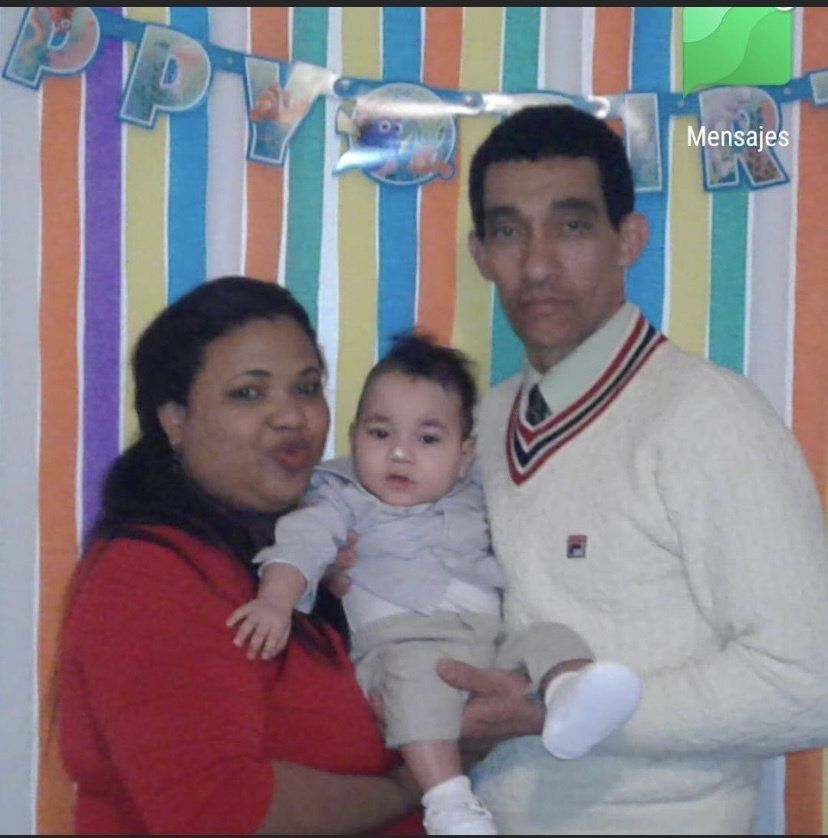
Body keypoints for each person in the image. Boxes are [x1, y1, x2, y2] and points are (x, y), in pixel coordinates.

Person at [429, 103, 828, 834]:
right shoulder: (476, 425)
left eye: (572, 226)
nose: (538, 264)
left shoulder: (710, 417)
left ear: (629, 240)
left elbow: (809, 684)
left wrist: (556, 712)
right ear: (480, 253)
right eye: (509, 231)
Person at [227, 333, 642, 835]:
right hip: (398, 645)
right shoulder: (340, 496)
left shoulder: (471, 491)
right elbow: (301, 544)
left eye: (428, 439)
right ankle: (449, 802)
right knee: (415, 684)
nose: (400, 454)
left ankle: (570, 694)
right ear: (355, 436)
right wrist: (275, 600)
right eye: (380, 433)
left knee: (549, 637)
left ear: (463, 455)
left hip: (488, 642)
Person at [57, 276, 425, 835]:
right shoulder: (146, 576)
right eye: (249, 393)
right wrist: (410, 787)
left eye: (307, 388)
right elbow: (219, 811)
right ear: (174, 420)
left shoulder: (304, 550)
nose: (291, 416)